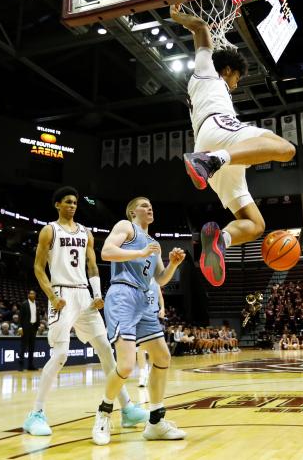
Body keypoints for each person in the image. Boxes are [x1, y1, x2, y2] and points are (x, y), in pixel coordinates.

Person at [171, 4, 296, 286]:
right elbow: (202, 28)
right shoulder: (207, 72)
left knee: (255, 224)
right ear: (226, 69)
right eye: (236, 78)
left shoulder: (205, 86)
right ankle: (211, 161)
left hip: (208, 139)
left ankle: (220, 241)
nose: (236, 86)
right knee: (286, 148)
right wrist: (180, 17)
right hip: (218, 130)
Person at [23, 187, 148, 437]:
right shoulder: (50, 230)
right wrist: (52, 295)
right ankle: (35, 414)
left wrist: (97, 295)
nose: (72, 206)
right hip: (61, 293)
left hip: (84, 296)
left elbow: (92, 265)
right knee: (60, 355)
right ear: (57, 204)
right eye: (67, 202)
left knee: (106, 351)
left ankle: (126, 409)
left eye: (75, 203)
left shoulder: (86, 233)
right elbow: (38, 268)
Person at [91, 196, 187, 446]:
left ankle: (155, 422)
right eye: (144, 205)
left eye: (151, 205)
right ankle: (103, 413)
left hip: (144, 299)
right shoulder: (126, 227)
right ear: (133, 211)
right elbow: (107, 252)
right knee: (125, 365)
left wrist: (173, 265)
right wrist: (141, 251)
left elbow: (160, 279)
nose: (149, 207)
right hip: (123, 294)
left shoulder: (155, 244)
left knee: (163, 357)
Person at [137, 279, 166, 387]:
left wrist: (162, 309)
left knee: (153, 347)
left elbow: (160, 297)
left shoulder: (156, 281)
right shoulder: (138, 278)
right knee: (141, 347)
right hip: (141, 315)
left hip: (154, 315)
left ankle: (149, 371)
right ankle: (142, 374)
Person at [18, 290, 39, 371]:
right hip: (25, 327)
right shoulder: (24, 304)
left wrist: (37, 326)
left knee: (32, 348)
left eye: (33, 293)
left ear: (35, 295)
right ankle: (21, 366)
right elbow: (20, 317)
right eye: (30, 293)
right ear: (28, 295)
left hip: (33, 328)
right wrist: (20, 327)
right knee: (23, 347)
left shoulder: (36, 304)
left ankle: (30, 365)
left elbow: (37, 315)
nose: (32, 294)